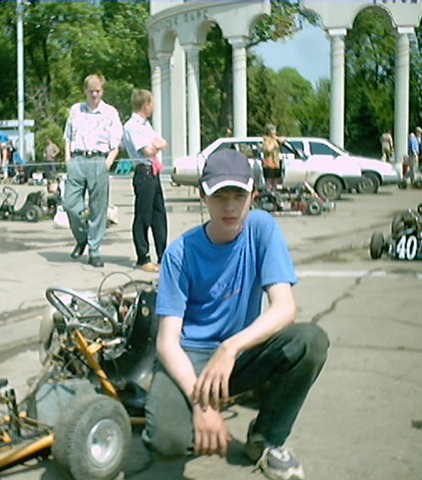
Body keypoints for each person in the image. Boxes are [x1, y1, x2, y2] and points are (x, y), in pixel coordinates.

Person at [142, 149, 329, 480]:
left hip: (238, 355)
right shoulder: (180, 253)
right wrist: (201, 405)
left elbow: (285, 307)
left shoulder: (261, 228)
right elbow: (167, 343)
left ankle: (267, 438)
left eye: (239, 196)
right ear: (203, 196)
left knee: (310, 341)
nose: (230, 207)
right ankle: (200, 403)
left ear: (253, 195)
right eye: (219, 196)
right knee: (168, 441)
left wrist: (231, 348)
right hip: (190, 357)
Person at [63, 73, 123, 268]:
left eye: (98, 91)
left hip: (99, 159)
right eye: (91, 92)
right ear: (85, 91)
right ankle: (82, 237)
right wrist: (68, 159)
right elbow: (68, 136)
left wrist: (107, 163)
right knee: (70, 204)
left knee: (98, 208)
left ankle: (94, 249)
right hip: (78, 159)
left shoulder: (110, 112)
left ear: (102, 91)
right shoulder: (76, 110)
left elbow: (116, 143)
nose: (94, 95)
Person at [122, 88, 168, 273]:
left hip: (154, 171)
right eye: (152, 104)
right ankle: (143, 257)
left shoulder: (146, 125)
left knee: (159, 214)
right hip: (143, 172)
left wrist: (156, 145)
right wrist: (155, 146)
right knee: (143, 215)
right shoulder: (132, 126)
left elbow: (162, 142)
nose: (153, 107)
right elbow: (146, 150)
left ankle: (163, 254)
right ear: (146, 105)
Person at [261, 123, 285, 192]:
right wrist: (273, 144)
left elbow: (283, 139)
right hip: (269, 162)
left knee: (276, 179)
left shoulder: (276, 139)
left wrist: (277, 138)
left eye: (274, 130)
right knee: (269, 179)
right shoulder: (266, 140)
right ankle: (268, 192)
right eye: (272, 130)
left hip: (276, 162)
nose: (274, 132)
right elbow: (268, 149)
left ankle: (274, 192)